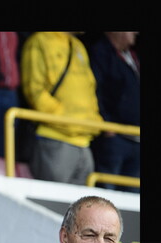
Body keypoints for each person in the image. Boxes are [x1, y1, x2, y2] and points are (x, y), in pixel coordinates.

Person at [20, 32, 103, 185]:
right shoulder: (39, 40)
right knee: (54, 204)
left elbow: (90, 88)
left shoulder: (78, 46)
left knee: (81, 206)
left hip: (84, 140)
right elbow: (34, 90)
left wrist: (94, 120)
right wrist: (64, 118)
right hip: (54, 137)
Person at [89, 32, 140, 185]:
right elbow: (94, 90)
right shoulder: (100, 52)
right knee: (106, 195)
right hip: (114, 137)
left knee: (132, 199)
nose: (136, 33)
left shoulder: (133, 55)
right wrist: (105, 124)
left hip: (136, 137)